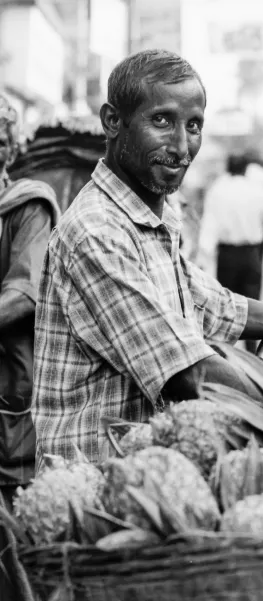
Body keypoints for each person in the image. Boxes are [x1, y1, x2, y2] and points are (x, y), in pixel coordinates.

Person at [32, 50, 263, 470]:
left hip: (159, 465)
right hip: (98, 485)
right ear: (113, 121)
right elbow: (187, 371)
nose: (182, 146)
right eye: (162, 121)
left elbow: (219, 306)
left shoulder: (151, 218)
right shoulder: (98, 231)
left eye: (194, 126)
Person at [0, 96, 60, 601]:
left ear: (8, 149)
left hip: (9, 398)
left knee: (14, 541)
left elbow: (23, 296)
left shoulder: (27, 207)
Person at [198, 153, 263, 353]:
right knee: (253, 308)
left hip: (227, 256)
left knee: (226, 308)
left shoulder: (217, 190)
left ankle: (226, 356)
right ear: (246, 169)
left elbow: (210, 224)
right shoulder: (257, 190)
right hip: (252, 255)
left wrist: (203, 256)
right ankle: (254, 356)